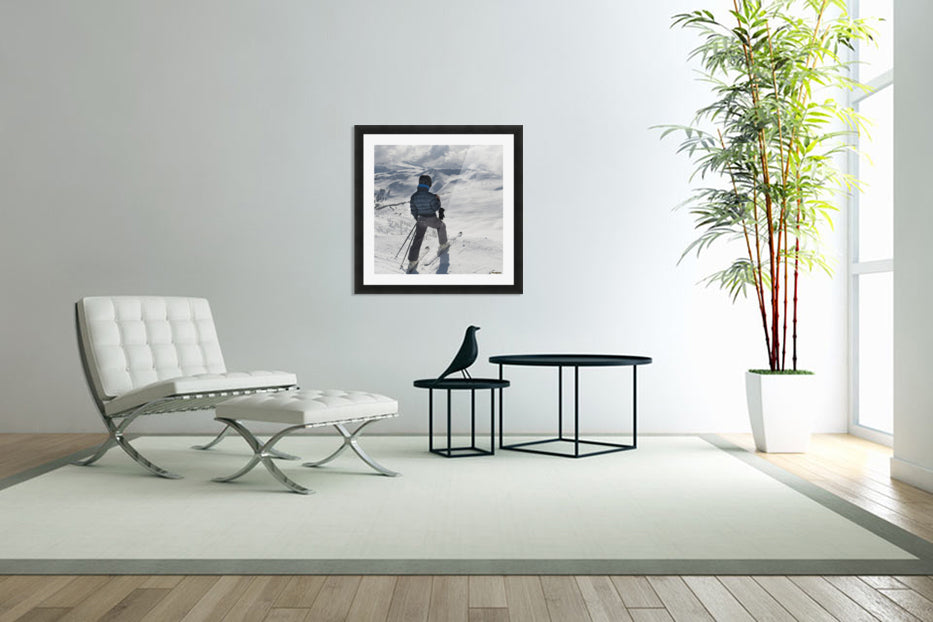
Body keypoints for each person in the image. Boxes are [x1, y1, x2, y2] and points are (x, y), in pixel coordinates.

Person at [407, 174, 449, 272]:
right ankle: (443, 244)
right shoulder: (431, 196)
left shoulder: (414, 196)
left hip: (420, 219)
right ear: (428, 184)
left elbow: (413, 211)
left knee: (418, 238)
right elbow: (436, 208)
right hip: (431, 218)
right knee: (441, 226)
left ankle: (412, 261)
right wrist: (437, 199)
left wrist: (417, 218)